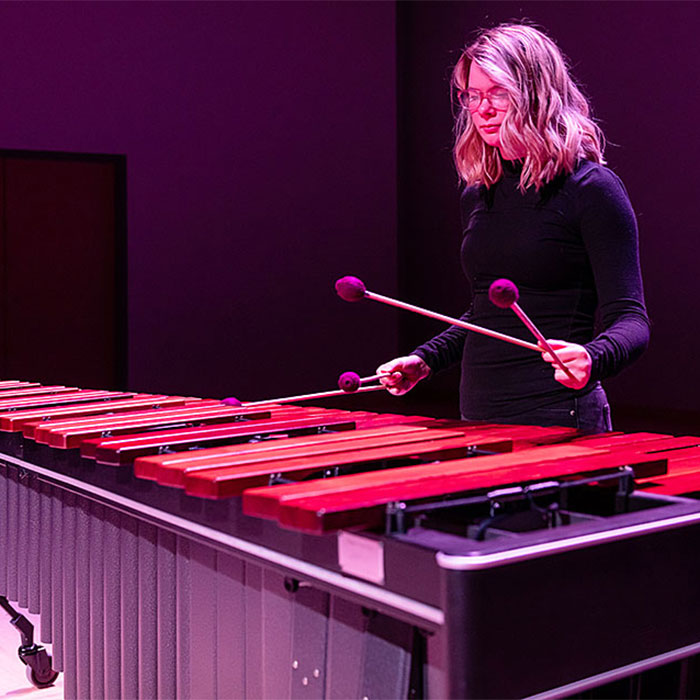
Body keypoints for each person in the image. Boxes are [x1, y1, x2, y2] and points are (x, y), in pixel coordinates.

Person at [377, 23, 649, 433]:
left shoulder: (591, 189)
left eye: (498, 93)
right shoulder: (479, 193)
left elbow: (631, 319)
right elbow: (489, 312)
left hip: (559, 415)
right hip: (478, 414)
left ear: (536, 95)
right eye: (472, 95)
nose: (482, 109)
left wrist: (594, 357)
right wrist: (426, 360)